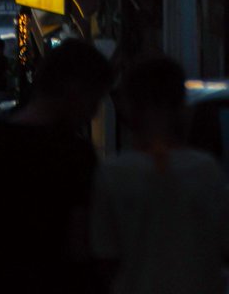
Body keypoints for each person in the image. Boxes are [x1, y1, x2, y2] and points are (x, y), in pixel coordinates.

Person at [0, 37, 113, 294]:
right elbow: (79, 242)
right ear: (74, 91)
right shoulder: (75, 154)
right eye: (92, 101)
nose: (92, 112)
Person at [90, 55, 229, 294]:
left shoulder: (113, 174)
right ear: (181, 107)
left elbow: (104, 256)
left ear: (129, 108)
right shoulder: (206, 171)